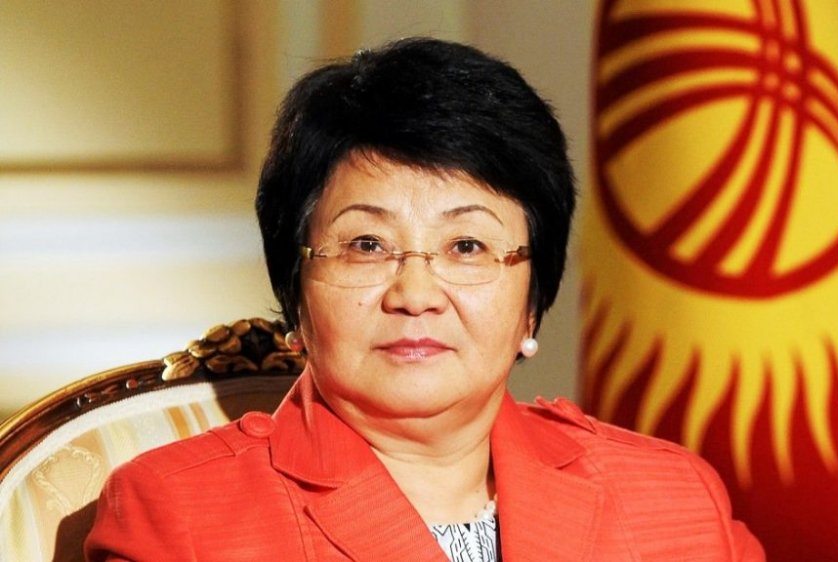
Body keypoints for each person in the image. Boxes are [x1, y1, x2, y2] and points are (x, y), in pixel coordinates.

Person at [85, 37, 764, 561]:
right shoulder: (182, 515)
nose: (415, 295)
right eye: (367, 245)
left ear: (532, 302)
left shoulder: (673, 501)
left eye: (466, 246)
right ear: (296, 293)